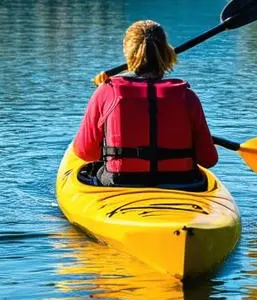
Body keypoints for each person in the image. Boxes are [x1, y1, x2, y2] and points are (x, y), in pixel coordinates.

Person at [72, 19, 217, 188]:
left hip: (120, 182)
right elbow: (208, 160)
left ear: (127, 52)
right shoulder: (186, 96)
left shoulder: (107, 91)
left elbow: (86, 153)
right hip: (181, 183)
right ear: (166, 52)